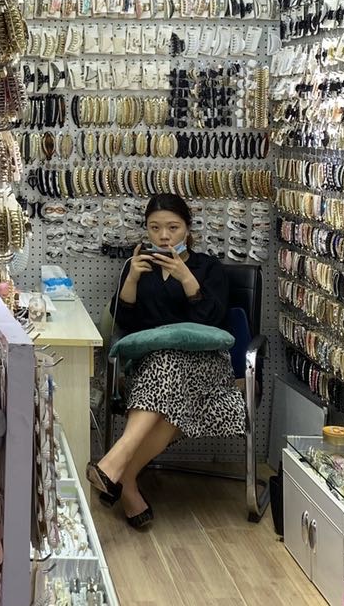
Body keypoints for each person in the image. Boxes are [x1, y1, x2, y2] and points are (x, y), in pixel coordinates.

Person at [86, 194, 245, 529]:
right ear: (146, 229)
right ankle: (126, 480)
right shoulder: (138, 268)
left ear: (187, 229)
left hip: (204, 365)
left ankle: (117, 469)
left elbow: (213, 321)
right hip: (152, 367)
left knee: (168, 371)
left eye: (173, 228)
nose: (163, 236)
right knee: (165, 376)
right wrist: (131, 279)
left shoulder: (208, 268)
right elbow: (124, 325)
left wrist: (186, 278)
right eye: (155, 228)